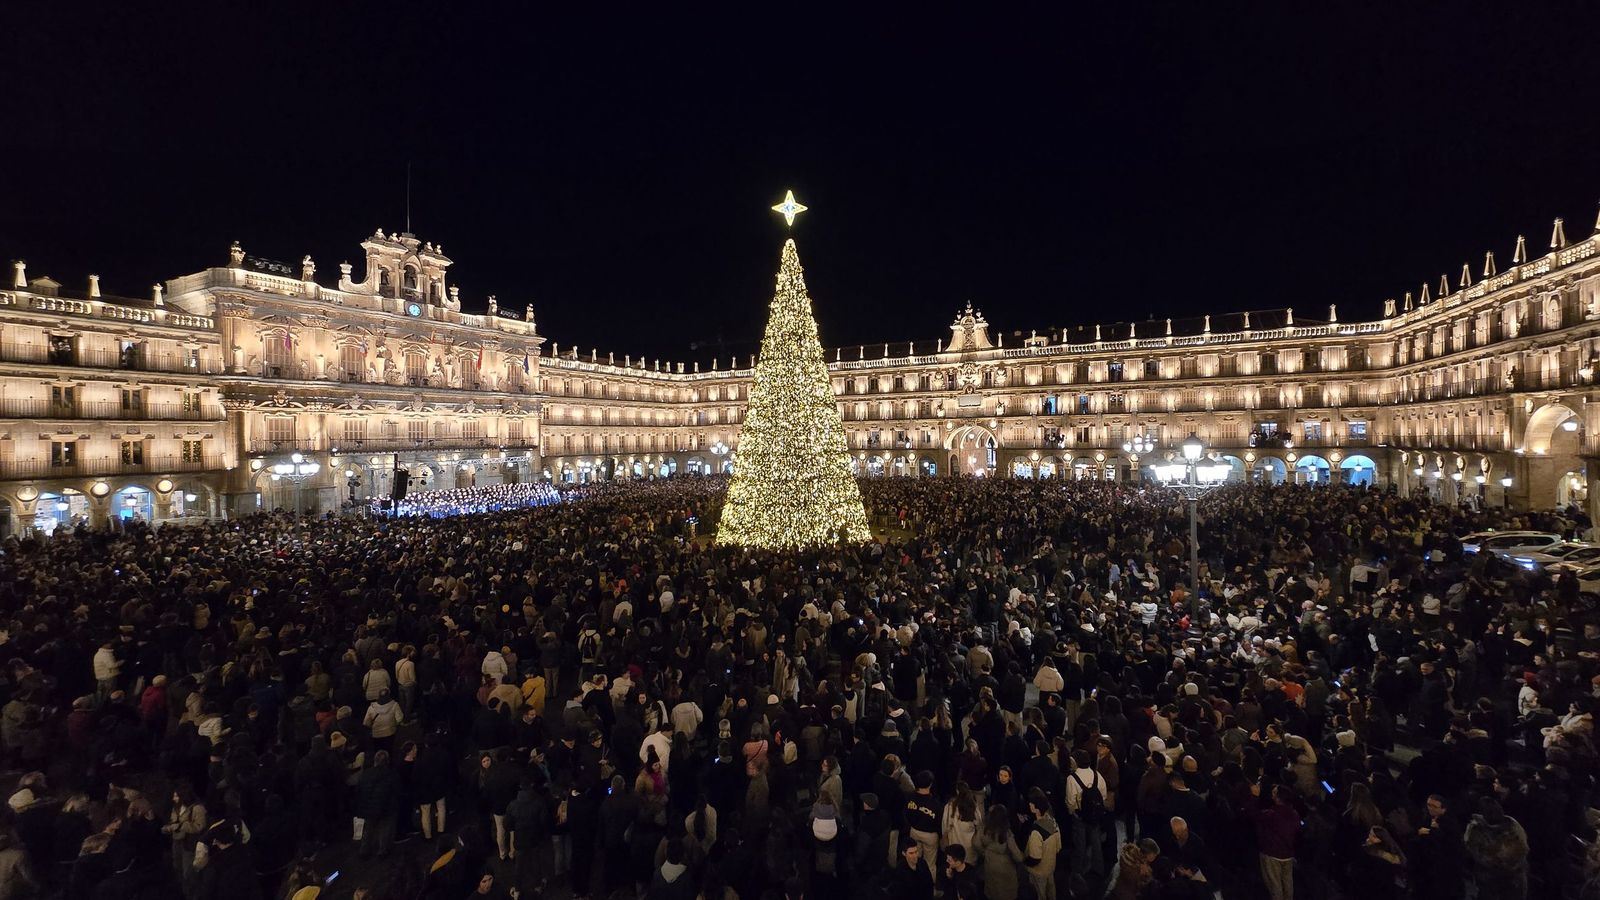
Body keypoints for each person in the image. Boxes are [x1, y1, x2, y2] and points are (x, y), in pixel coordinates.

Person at [1464, 799, 1529, 900]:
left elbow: (1475, 853)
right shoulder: (1513, 824)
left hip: (1490, 879)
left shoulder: (1476, 830)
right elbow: (1524, 847)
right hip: (1515, 878)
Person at [1023, 788, 1061, 900]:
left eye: (1031, 803)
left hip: (1039, 871)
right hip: (1050, 865)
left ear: (1036, 807)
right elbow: (1058, 846)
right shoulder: (1053, 822)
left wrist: (1025, 862)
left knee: (1040, 894)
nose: (1029, 805)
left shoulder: (1036, 832)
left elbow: (1035, 858)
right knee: (1051, 888)